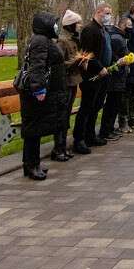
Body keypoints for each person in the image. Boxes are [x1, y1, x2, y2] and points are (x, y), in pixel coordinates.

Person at [18, 12, 67, 180]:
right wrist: (39, 89)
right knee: (33, 129)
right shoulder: (40, 41)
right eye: (53, 24)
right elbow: (37, 66)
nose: (55, 27)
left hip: (42, 91)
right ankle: (31, 165)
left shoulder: (44, 40)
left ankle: (32, 163)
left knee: (35, 129)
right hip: (35, 94)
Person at [73, 3, 114, 154]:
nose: (108, 16)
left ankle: (90, 135)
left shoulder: (102, 30)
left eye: (110, 13)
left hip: (103, 74)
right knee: (86, 108)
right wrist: (99, 67)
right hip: (92, 75)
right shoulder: (90, 30)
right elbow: (87, 54)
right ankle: (79, 139)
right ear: (98, 12)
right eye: (107, 13)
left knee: (96, 106)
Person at [53, 10, 83, 160]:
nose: (79, 26)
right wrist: (75, 62)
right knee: (62, 116)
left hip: (73, 81)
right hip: (66, 82)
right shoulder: (63, 41)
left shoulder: (73, 39)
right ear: (70, 25)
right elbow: (59, 64)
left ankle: (63, 146)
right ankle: (58, 148)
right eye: (77, 23)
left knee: (66, 115)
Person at [98, 15, 130, 141]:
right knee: (111, 104)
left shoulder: (120, 36)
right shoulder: (116, 38)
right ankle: (106, 130)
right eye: (129, 25)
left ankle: (109, 128)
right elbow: (112, 56)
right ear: (122, 25)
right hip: (115, 75)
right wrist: (120, 61)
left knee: (115, 104)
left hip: (119, 75)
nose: (130, 28)